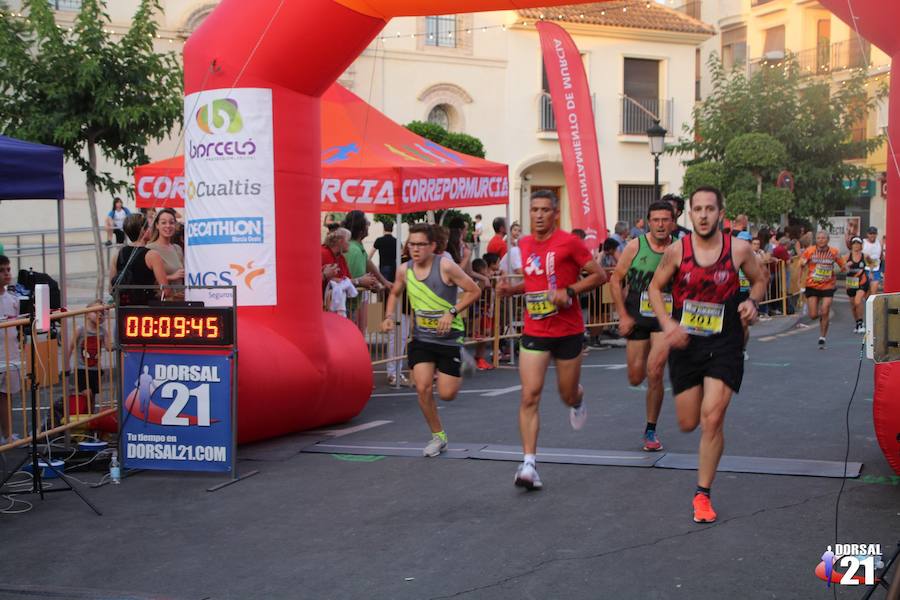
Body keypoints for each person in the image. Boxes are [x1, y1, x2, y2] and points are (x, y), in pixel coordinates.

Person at [648, 186, 766, 523]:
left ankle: (703, 494)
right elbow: (656, 288)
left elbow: (760, 279)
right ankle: (699, 411)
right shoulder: (676, 251)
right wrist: (668, 324)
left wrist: (752, 301)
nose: (702, 215)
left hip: (725, 341)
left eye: (709, 209)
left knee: (712, 418)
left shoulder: (739, 249)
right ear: (690, 214)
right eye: (697, 209)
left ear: (720, 213)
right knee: (688, 422)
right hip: (686, 342)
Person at [497, 190, 606, 490]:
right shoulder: (524, 243)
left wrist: (569, 292)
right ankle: (529, 463)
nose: (539, 215)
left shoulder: (570, 242)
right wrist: (512, 290)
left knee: (566, 394)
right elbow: (535, 284)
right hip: (534, 330)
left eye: (545, 210)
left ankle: (578, 399)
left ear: (556, 213)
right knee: (529, 395)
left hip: (567, 330)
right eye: (534, 210)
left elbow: (599, 276)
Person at [381, 224, 480, 457]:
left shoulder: (445, 266)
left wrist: (452, 312)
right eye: (411, 244)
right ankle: (438, 436)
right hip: (422, 338)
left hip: (449, 338)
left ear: (433, 246)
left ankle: (464, 360)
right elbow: (395, 292)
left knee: (447, 394)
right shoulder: (404, 270)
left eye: (420, 244)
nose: (415, 249)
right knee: (423, 387)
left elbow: (474, 290)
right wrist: (387, 316)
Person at [609, 201, 675, 452]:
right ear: (648, 222)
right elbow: (615, 281)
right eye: (656, 220)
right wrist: (623, 315)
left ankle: (650, 429)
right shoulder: (635, 246)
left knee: (655, 370)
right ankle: (646, 377)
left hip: (665, 317)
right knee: (636, 377)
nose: (660, 224)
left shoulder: (679, 249)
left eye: (665, 219)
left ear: (673, 222)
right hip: (637, 314)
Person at [800, 230, 846, 349]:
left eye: (823, 238)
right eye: (819, 238)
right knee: (813, 315)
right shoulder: (810, 251)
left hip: (828, 285)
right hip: (812, 285)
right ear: (816, 240)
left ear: (828, 239)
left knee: (825, 310)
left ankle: (822, 337)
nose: (821, 240)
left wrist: (841, 269)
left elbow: (843, 266)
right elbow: (801, 263)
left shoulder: (834, 252)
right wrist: (802, 263)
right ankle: (821, 317)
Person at [110, 213, 169, 304]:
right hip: (145, 310)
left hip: (123, 310)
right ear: (143, 230)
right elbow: (166, 290)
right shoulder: (152, 255)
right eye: (149, 227)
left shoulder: (117, 254)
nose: (151, 229)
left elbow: (111, 288)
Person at [65, 300, 112, 403]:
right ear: (87, 315)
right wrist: (66, 363)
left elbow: (108, 347)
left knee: (92, 396)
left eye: (102, 314)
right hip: (81, 368)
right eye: (96, 312)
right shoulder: (80, 330)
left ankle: (91, 414)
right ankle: (86, 412)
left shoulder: (102, 331)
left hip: (95, 368)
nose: (100, 315)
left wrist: (112, 340)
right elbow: (71, 347)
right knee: (87, 393)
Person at [0, 255, 21, 445]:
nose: (7, 274)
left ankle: (8, 435)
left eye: (8, 270)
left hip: (11, 355)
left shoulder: (13, 299)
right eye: (2, 270)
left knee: (7, 396)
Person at [147, 208, 185, 287]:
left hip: (179, 297)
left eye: (171, 222)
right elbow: (146, 280)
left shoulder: (177, 248)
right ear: (157, 225)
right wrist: (171, 277)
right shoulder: (149, 249)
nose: (168, 226)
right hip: (161, 297)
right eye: (163, 223)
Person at [844, 236, 869, 334]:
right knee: (853, 305)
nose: (856, 245)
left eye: (858, 243)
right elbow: (841, 268)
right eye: (854, 243)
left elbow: (872, 263)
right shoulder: (847, 257)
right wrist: (846, 266)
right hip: (851, 283)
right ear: (851, 245)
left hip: (862, 282)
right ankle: (857, 323)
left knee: (858, 302)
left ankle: (861, 323)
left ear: (861, 245)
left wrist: (870, 271)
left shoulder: (865, 256)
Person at [862, 226, 883, 295]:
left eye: (874, 233)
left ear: (876, 234)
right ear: (867, 234)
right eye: (870, 233)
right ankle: (867, 305)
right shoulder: (863, 242)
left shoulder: (879, 243)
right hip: (865, 270)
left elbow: (881, 256)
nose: (872, 235)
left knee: (873, 293)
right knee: (866, 293)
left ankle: (870, 305)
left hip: (876, 270)